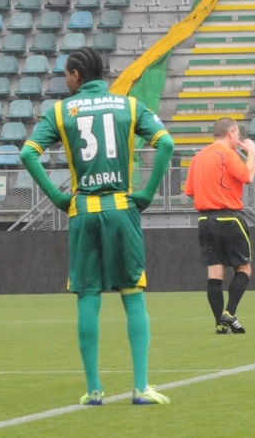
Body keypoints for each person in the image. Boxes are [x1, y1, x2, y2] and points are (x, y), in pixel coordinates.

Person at [20, 47, 173, 405]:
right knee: (132, 294)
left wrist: (58, 199)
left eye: (65, 74)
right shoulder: (129, 105)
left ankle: (93, 391)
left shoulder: (61, 111)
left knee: (87, 295)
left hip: (84, 211)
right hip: (122, 207)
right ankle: (141, 387)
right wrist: (147, 192)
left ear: (76, 75)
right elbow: (165, 142)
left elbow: (28, 153)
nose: (65, 79)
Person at [184, 117, 255, 334]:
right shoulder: (227, 153)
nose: (239, 140)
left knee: (214, 273)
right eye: (238, 136)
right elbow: (248, 176)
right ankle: (230, 312)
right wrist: (251, 152)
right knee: (244, 268)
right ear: (231, 133)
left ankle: (219, 324)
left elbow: (189, 191)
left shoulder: (197, 158)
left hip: (205, 220)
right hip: (229, 217)